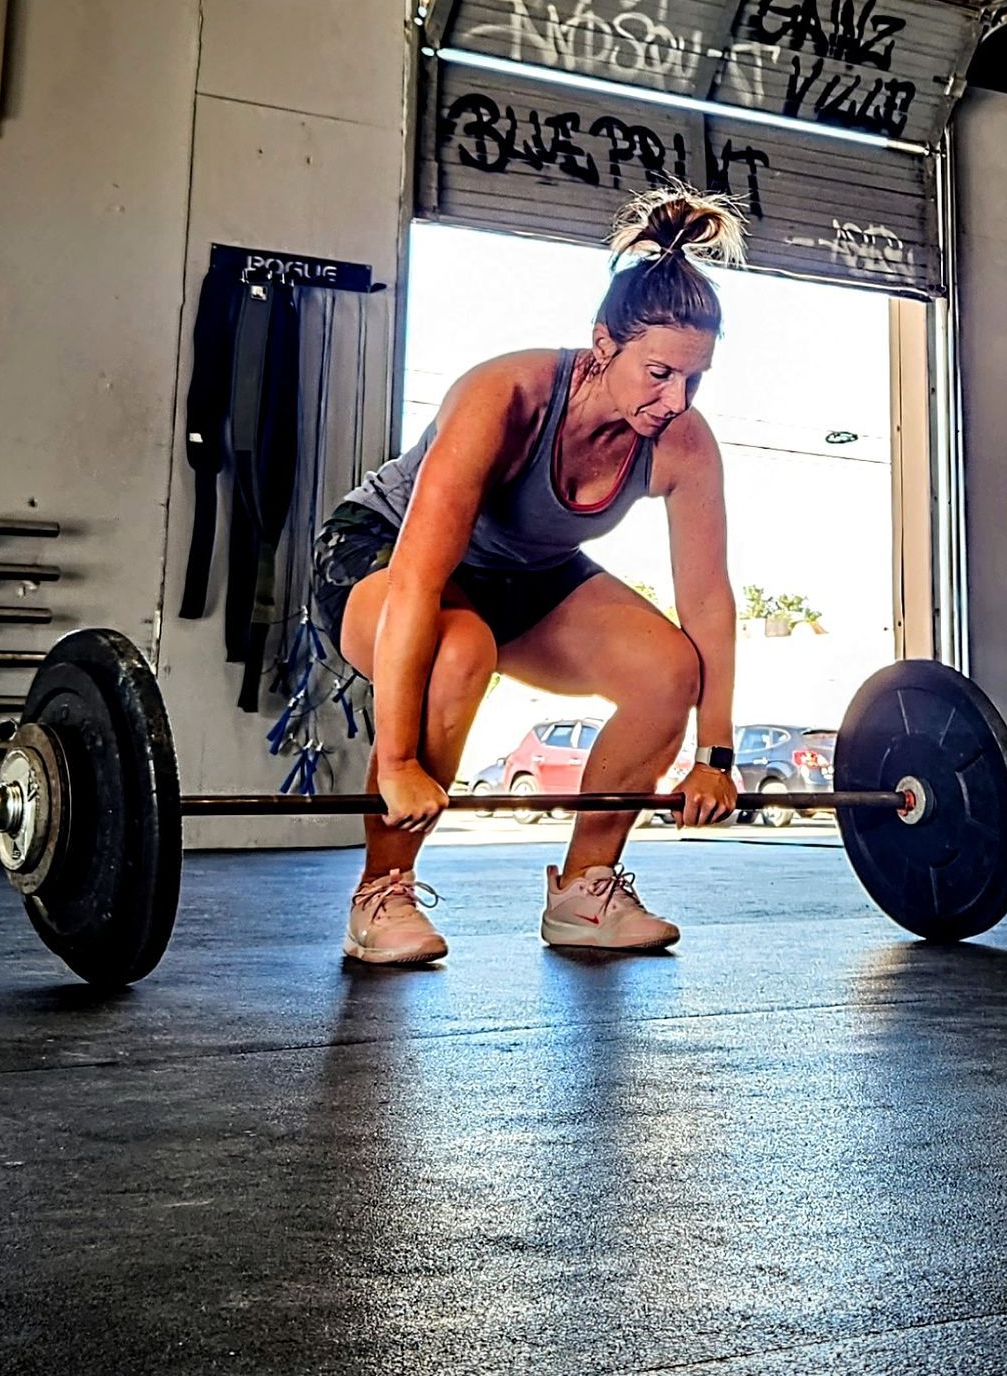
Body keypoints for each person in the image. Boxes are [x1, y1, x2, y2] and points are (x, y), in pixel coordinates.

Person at [308, 189, 744, 965]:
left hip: (526, 575)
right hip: (381, 554)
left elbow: (707, 599)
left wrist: (715, 754)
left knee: (666, 668)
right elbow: (416, 579)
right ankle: (383, 891)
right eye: (658, 372)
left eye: (696, 379)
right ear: (602, 342)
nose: (675, 399)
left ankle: (586, 888)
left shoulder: (683, 442)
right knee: (460, 647)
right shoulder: (505, 396)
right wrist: (400, 763)